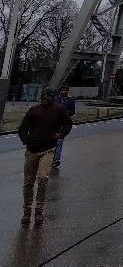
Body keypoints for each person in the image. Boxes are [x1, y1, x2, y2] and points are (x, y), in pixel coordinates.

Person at [17, 87, 72, 225]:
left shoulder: (58, 109)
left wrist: (60, 135)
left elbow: (68, 123)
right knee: (28, 182)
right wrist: (26, 140)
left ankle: (39, 211)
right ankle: (27, 212)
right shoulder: (34, 110)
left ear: (53, 97)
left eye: (48, 95)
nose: (45, 97)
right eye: (43, 95)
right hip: (31, 151)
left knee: (42, 178)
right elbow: (22, 128)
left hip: (48, 150)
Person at [52, 84, 75, 167]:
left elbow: (72, 111)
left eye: (65, 90)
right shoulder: (55, 99)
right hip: (53, 122)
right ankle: (50, 158)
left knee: (59, 141)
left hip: (63, 123)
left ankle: (56, 159)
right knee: (51, 141)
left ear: (68, 91)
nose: (63, 91)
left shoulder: (71, 100)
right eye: (62, 90)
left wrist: (64, 113)